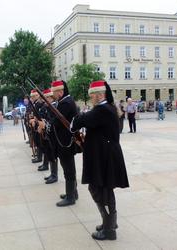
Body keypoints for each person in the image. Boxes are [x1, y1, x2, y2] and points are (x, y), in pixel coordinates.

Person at [71, 80, 129, 241]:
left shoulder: (102, 110)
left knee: (100, 189)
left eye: (93, 95)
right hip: (105, 154)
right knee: (104, 189)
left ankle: (109, 229)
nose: (91, 98)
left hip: (104, 156)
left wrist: (77, 119)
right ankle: (109, 223)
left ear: (100, 95)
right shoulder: (107, 108)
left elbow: (78, 122)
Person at [51, 80, 79, 207]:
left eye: (54, 92)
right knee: (68, 168)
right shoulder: (63, 102)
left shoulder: (65, 103)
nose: (53, 95)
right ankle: (73, 193)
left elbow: (56, 122)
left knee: (68, 169)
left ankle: (70, 197)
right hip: (65, 141)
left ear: (61, 92)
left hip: (66, 142)